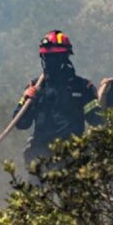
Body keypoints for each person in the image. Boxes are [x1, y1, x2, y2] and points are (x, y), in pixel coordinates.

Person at [14, 30, 102, 164]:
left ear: (65, 57)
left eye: (54, 57)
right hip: (41, 158)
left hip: (72, 157)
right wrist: (27, 100)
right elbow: (21, 123)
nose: (50, 62)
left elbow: (98, 121)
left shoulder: (82, 87)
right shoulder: (36, 87)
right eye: (46, 57)